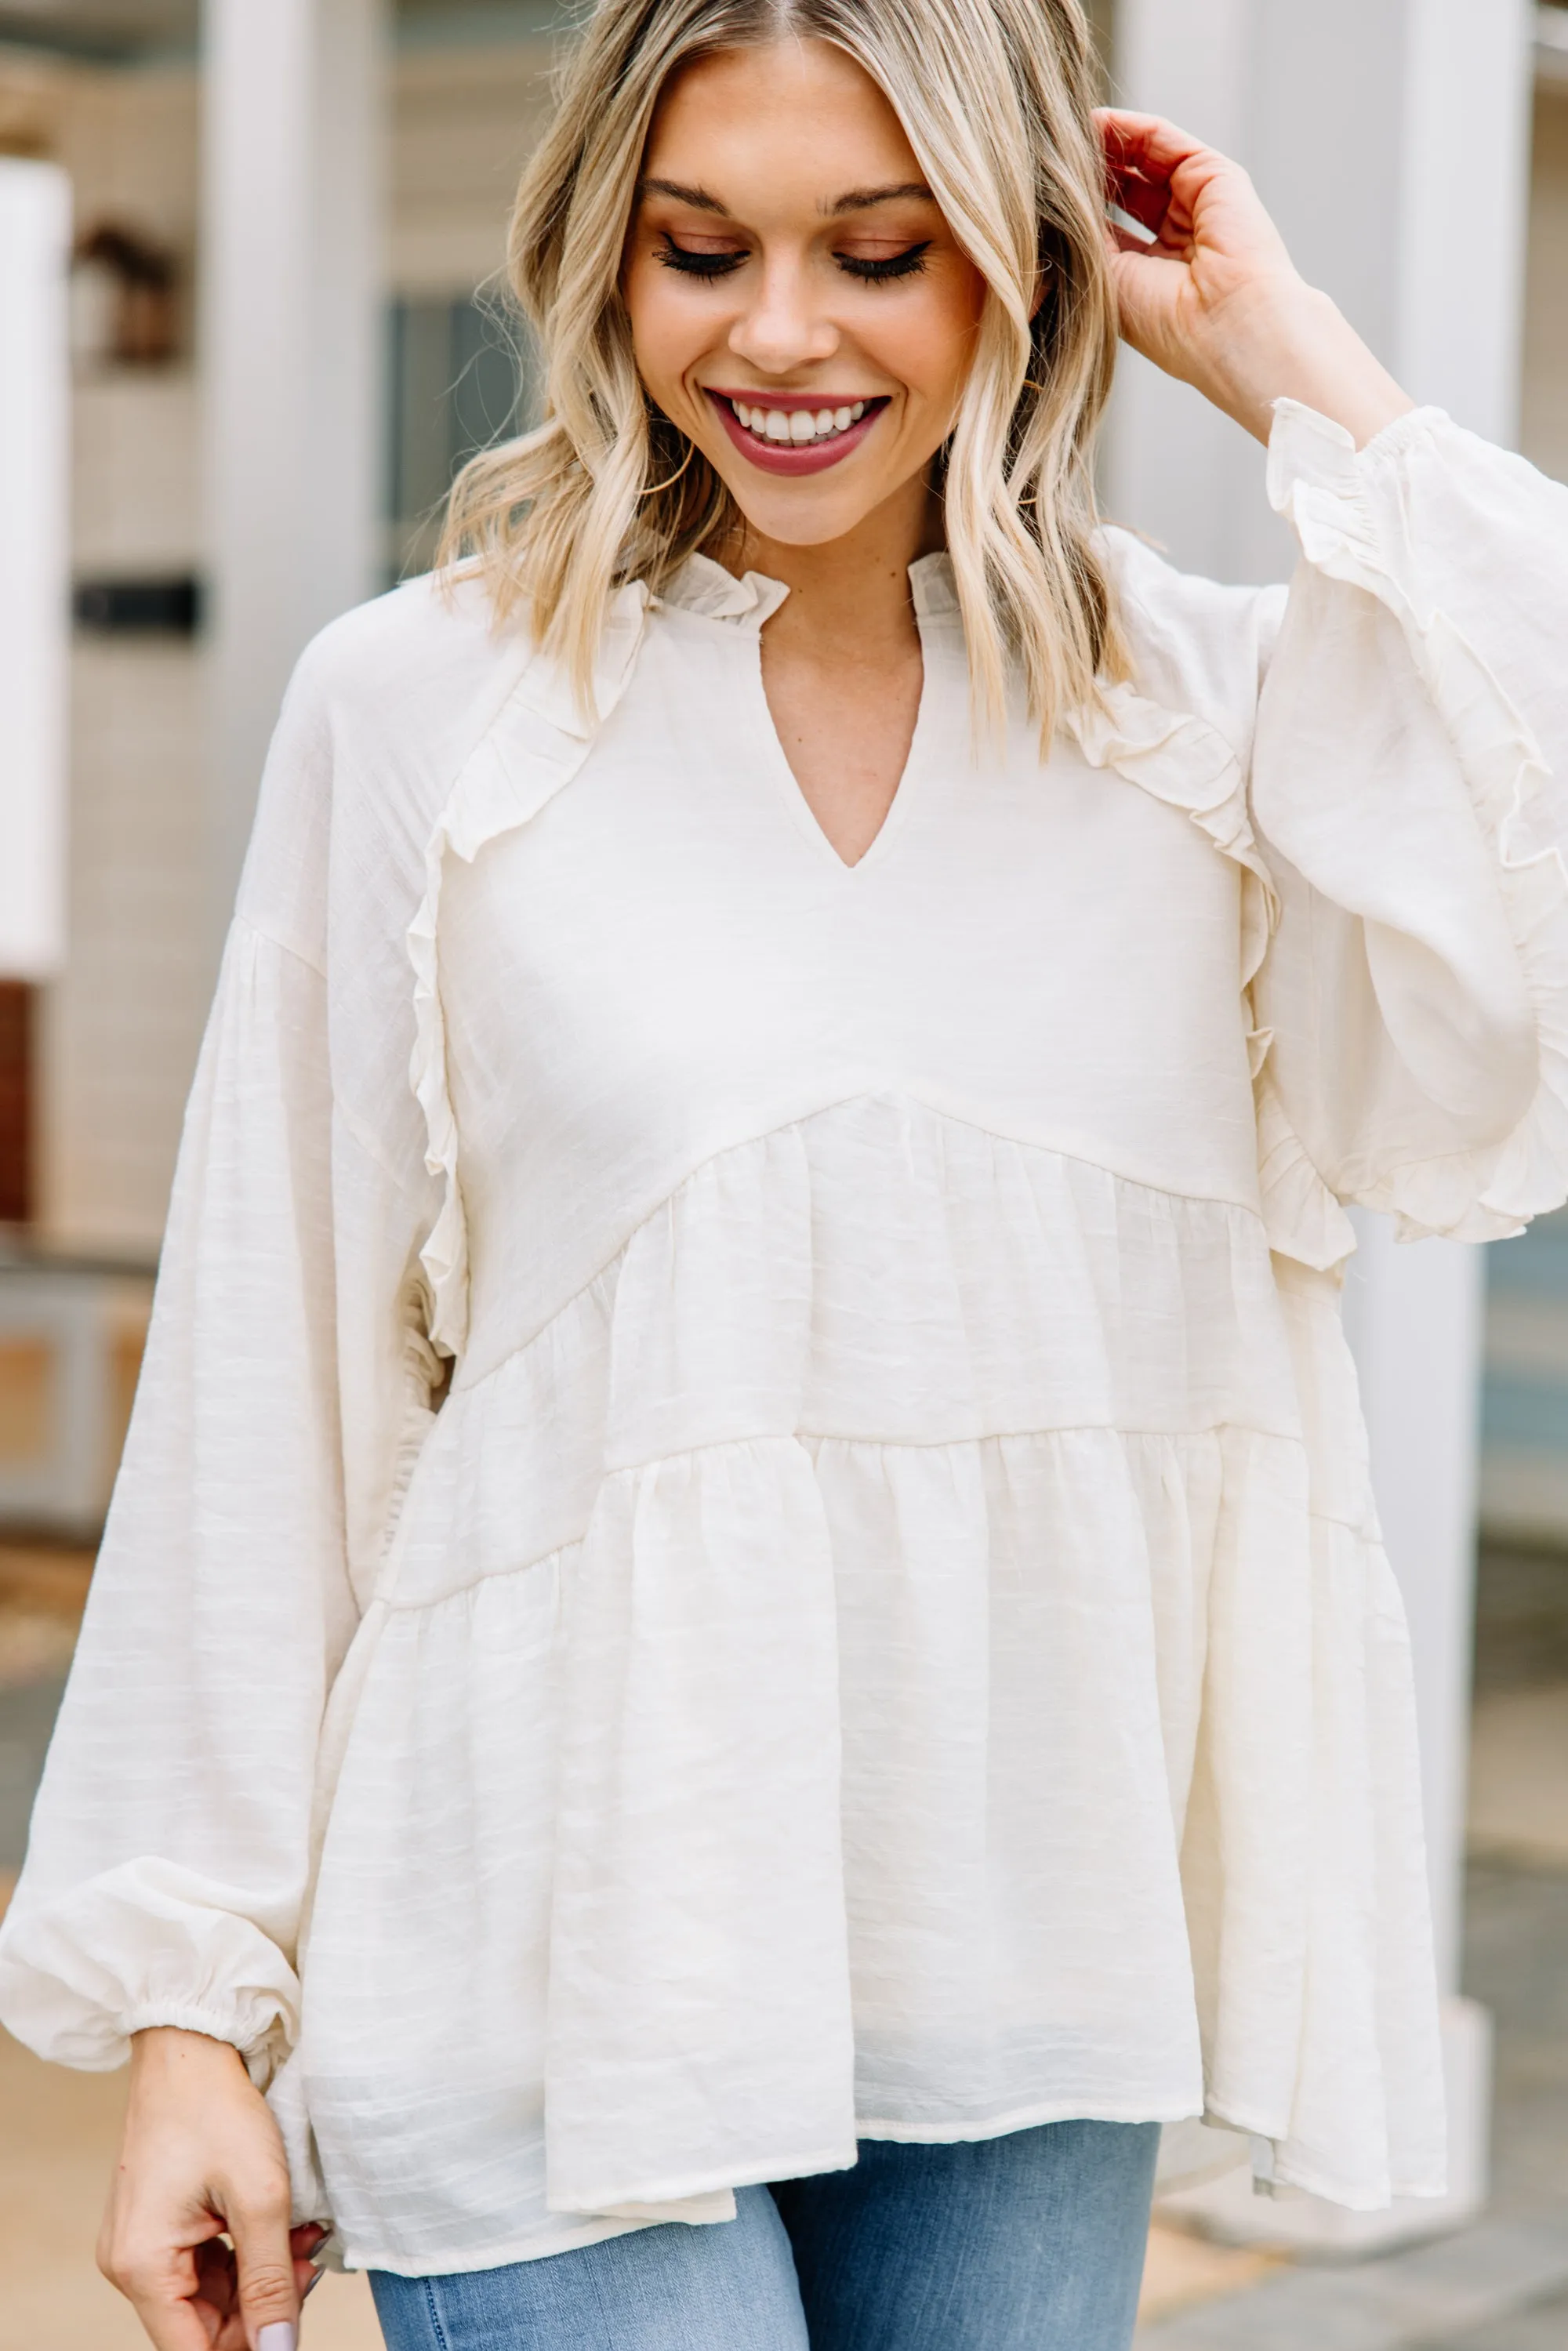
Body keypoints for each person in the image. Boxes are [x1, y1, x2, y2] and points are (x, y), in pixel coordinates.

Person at [4, 0, 1566, 2345]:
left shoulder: (1211, 720)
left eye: (882, 248)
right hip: (531, 1941)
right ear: (604, 265)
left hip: (1026, 1953)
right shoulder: (426, 707)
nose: (781, 334)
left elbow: (1520, 870)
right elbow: (271, 1367)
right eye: (701, 248)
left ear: (1019, 266)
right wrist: (194, 2012)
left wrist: (1287, 356)